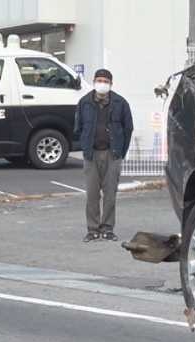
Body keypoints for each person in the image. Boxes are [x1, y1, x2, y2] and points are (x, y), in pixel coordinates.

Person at [74, 68, 133, 242]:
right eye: (99, 80)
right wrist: (86, 147)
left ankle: (107, 228)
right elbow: (78, 127)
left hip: (112, 154)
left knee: (110, 194)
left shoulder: (121, 103)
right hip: (91, 155)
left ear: (111, 84)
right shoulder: (84, 102)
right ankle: (92, 229)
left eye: (105, 81)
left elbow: (128, 128)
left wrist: (121, 152)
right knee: (92, 194)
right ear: (94, 82)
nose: (102, 84)